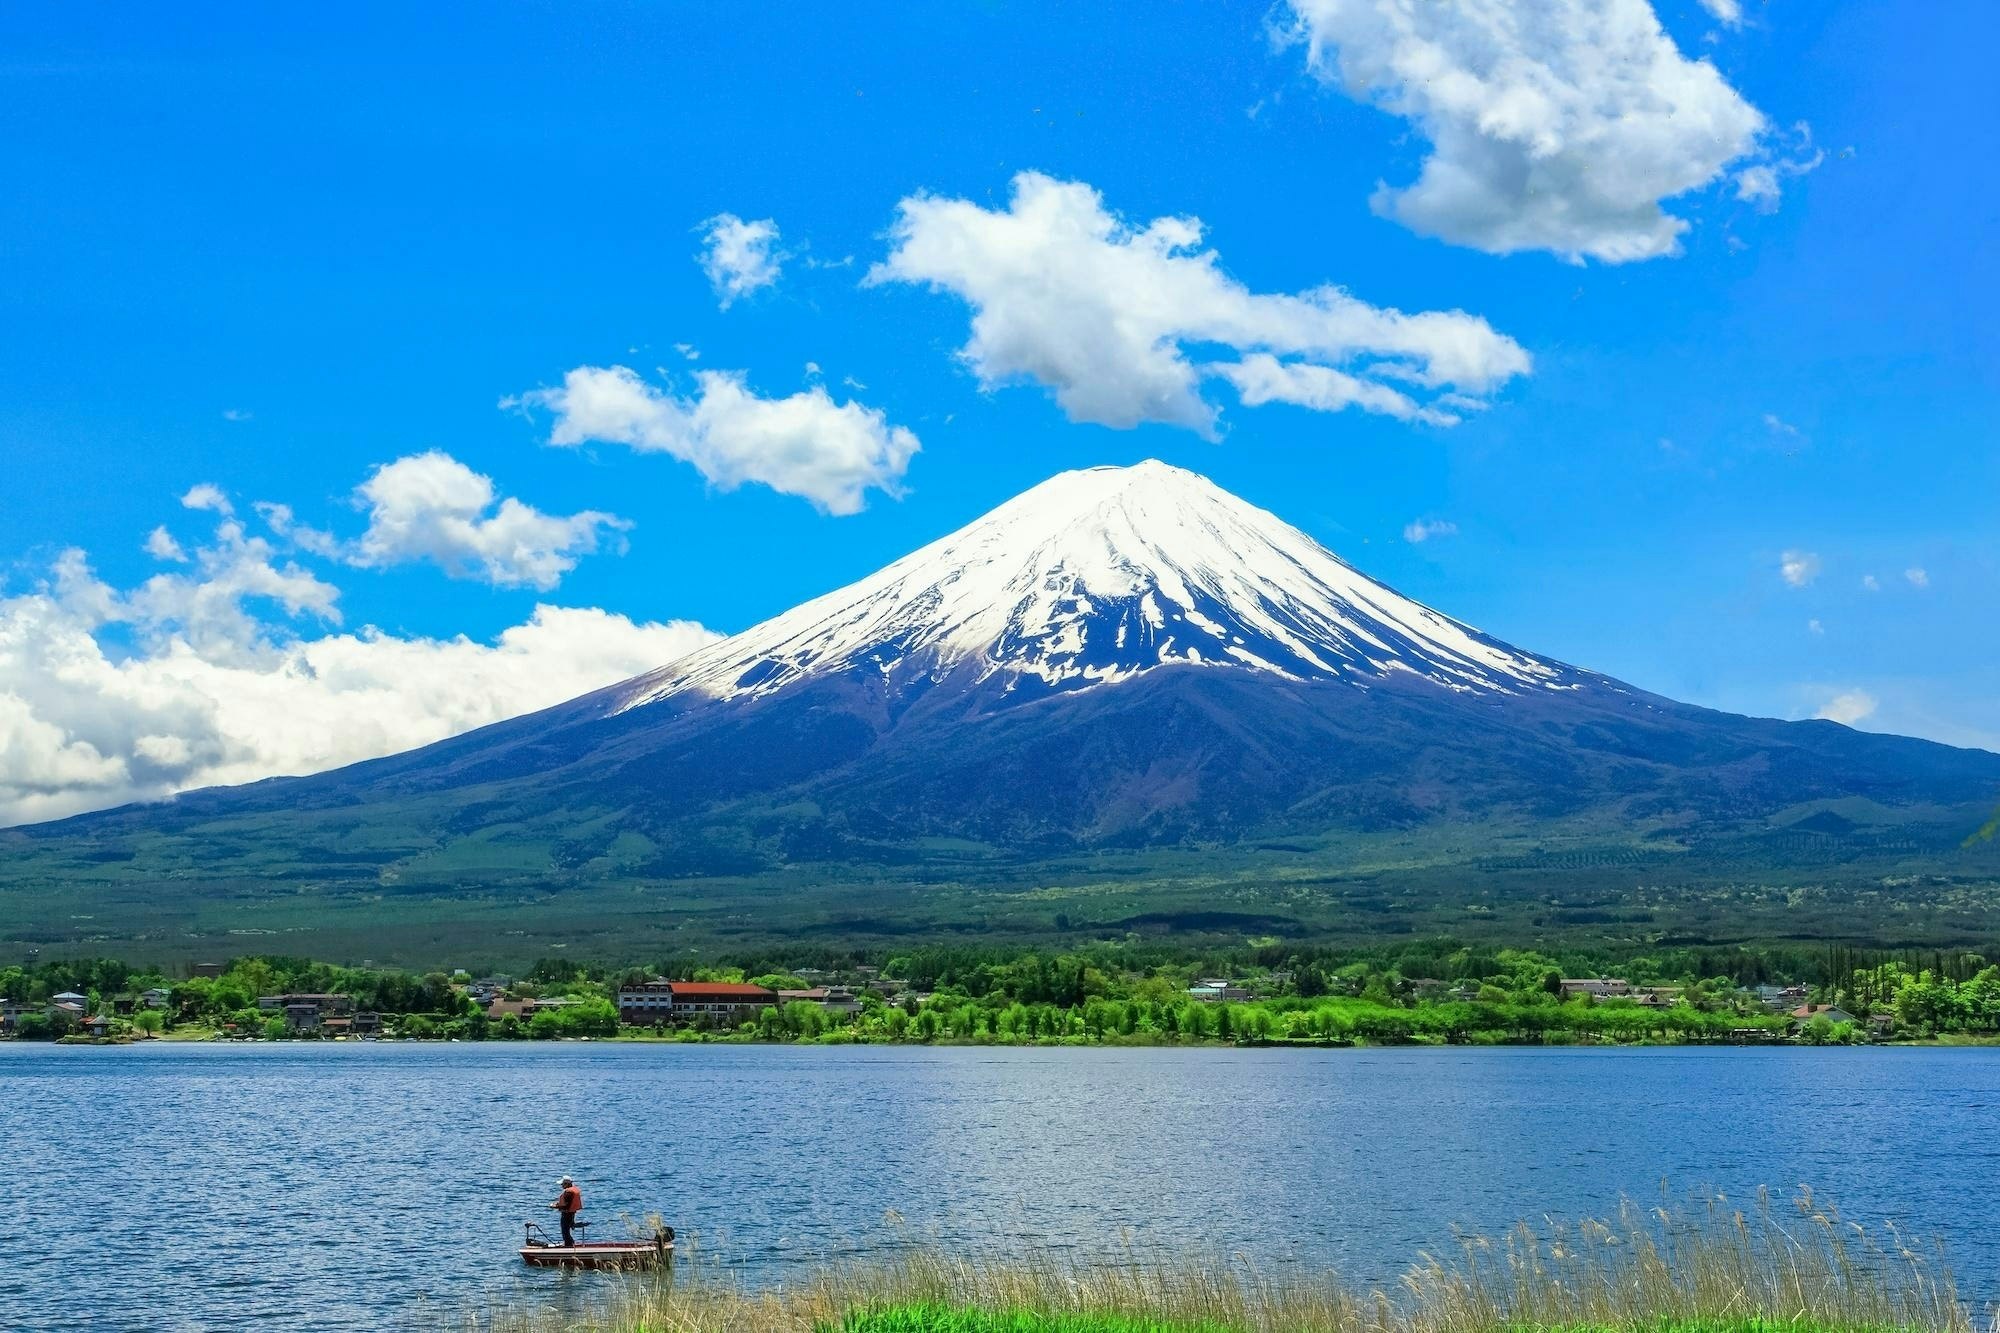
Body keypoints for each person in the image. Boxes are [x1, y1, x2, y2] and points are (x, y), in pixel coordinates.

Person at [548, 1176, 583, 1246]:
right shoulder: (571, 1191)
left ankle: (568, 1245)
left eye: (562, 1184)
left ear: (567, 1184)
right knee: (567, 1230)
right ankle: (570, 1243)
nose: (561, 1186)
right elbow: (568, 1203)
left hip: (567, 1214)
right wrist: (559, 1204)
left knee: (565, 1231)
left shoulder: (568, 1192)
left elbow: (566, 1206)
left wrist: (555, 1206)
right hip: (572, 1213)